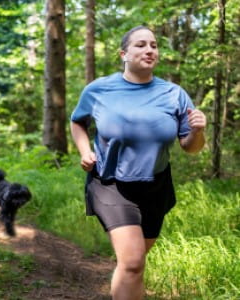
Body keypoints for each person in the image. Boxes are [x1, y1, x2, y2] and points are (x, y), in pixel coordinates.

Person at [70, 25, 206, 300]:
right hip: (111, 184)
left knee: (135, 264)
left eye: (154, 45)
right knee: (132, 262)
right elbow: (77, 121)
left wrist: (198, 131)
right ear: (124, 53)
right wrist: (85, 151)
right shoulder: (100, 89)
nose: (149, 50)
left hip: (156, 186)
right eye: (141, 45)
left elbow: (190, 148)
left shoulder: (174, 94)